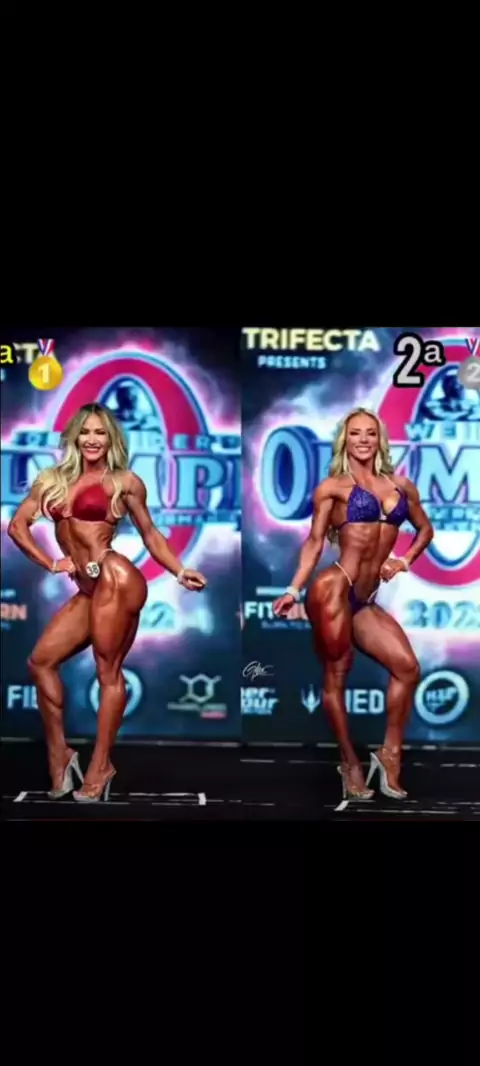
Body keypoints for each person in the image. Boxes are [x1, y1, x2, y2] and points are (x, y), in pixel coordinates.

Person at [7, 403, 207, 802]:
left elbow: (150, 534)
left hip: (116, 579)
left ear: (111, 438)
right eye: (85, 432)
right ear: (75, 437)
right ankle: (60, 754)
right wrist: (51, 563)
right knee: (40, 662)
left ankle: (100, 766)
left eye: (100, 432)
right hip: (88, 589)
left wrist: (179, 570)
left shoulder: (124, 482)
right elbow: (17, 526)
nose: (92, 439)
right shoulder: (51, 480)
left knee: (108, 672)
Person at [273, 407, 433, 801]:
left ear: (380, 439)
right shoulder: (332, 487)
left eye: (370, 433)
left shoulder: (401, 486)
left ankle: (389, 755)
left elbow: (425, 529)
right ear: (345, 440)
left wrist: (404, 560)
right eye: (356, 433)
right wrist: (293, 589)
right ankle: (349, 763)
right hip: (334, 588)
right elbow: (314, 543)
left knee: (407, 668)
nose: (363, 439)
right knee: (336, 674)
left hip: (364, 600)